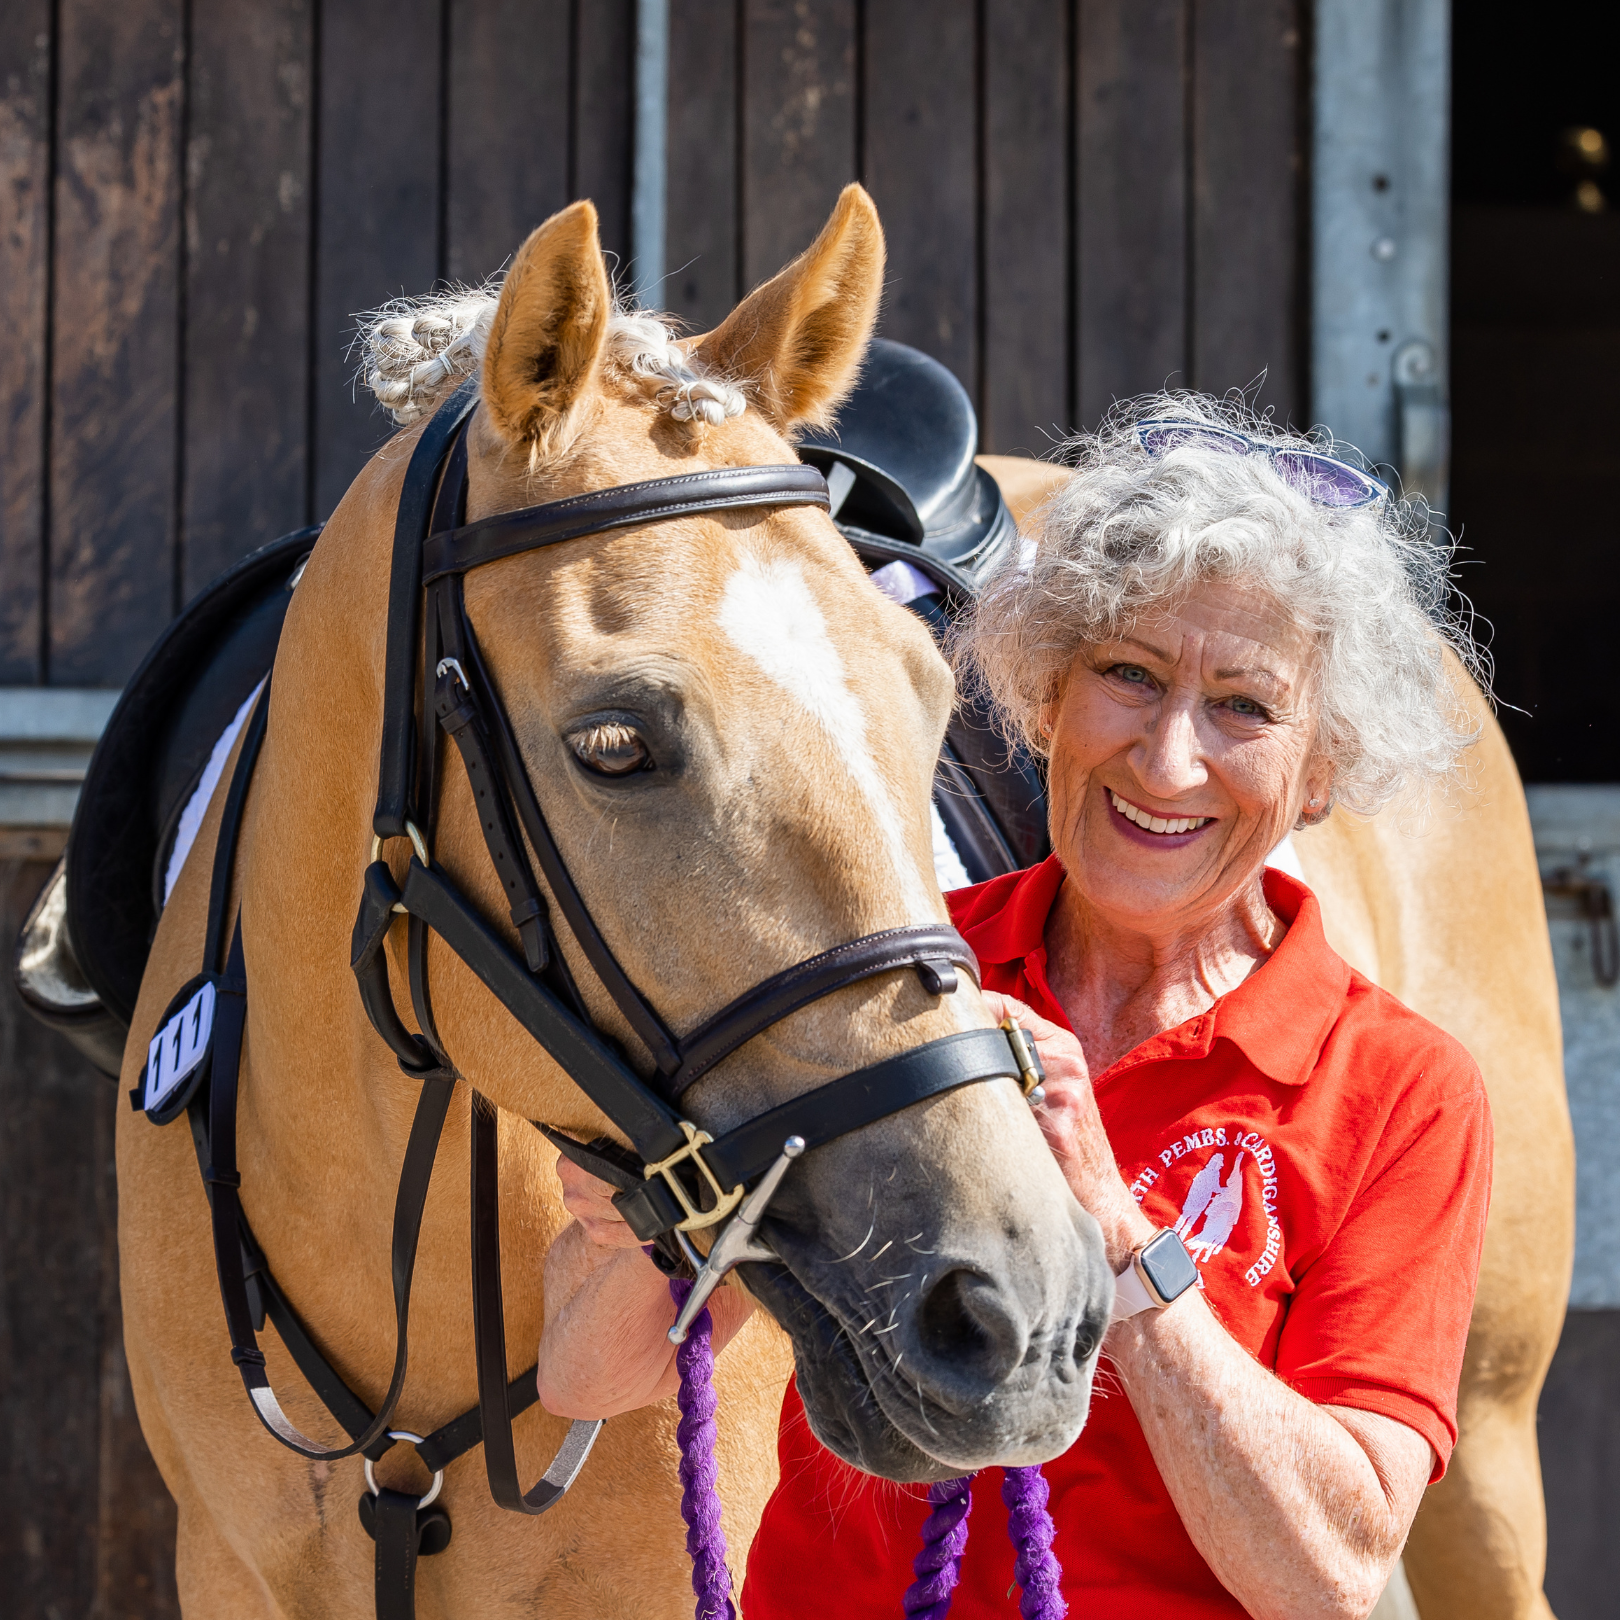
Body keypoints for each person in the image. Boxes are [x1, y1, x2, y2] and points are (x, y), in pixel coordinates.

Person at [536, 393, 1493, 1619]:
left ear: (1320, 776)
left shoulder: (1399, 1090)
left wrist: (1115, 1234)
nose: (1168, 761)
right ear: (1047, 696)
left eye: (1245, 707)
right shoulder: (894, 976)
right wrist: (642, 1230)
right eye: (1128, 676)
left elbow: (1330, 1575)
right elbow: (585, 1374)